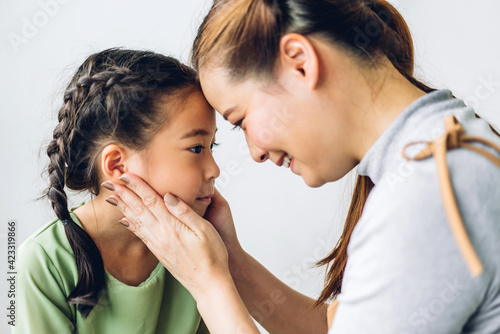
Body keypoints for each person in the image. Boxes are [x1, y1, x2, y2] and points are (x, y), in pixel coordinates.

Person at [103, 0, 500, 333]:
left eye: (240, 120)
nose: (255, 152)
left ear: (300, 62)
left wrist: (207, 283)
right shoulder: (449, 147)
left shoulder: (426, 198)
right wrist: (231, 262)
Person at [16, 48, 216, 333]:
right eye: (196, 148)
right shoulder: (43, 262)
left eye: (212, 146)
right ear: (117, 165)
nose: (215, 170)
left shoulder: (197, 243)